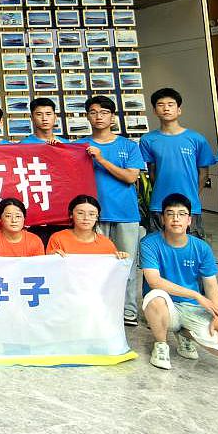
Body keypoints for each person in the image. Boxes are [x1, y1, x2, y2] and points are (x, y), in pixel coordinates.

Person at [140, 193, 218, 370]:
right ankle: (161, 344)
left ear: (189, 220)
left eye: (182, 214)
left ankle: (184, 334)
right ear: (162, 219)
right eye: (170, 214)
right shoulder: (149, 243)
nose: (176, 219)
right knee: (155, 296)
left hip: (192, 308)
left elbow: (211, 285)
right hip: (166, 305)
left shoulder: (201, 247)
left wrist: (217, 317)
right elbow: (154, 281)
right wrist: (196, 295)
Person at [79, 95, 146, 326]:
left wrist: (101, 159)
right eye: (93, 112)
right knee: (93, 265)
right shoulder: (80, 146)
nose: (99, 117)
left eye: (104, 112)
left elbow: (130, 177)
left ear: (113, 117)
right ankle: (99, 309)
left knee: (125, 264)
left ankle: (128, 310)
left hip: (125, 215)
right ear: (87, 116)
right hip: (91, 217)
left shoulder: (129, 146)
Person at [139, 87, 215, 237]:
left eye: (170, 104)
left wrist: (192, 195)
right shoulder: (148, 140)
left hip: (189, 205)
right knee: (159, 245)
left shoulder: (196, 139)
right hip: (159, 205)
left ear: (179, 110)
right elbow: (152, 172)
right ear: (154, 111)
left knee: (191, 245)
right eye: (160, 105)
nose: (166, 108)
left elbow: (203, 174)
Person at [46, 195, 129, 258]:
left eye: (91, 214)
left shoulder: (106, 244)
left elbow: (112, 271)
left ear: (97, 217)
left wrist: (121, 258)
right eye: (80, 213)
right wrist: (52, 258)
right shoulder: (58, 239)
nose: (86, 218)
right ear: (71, 215)